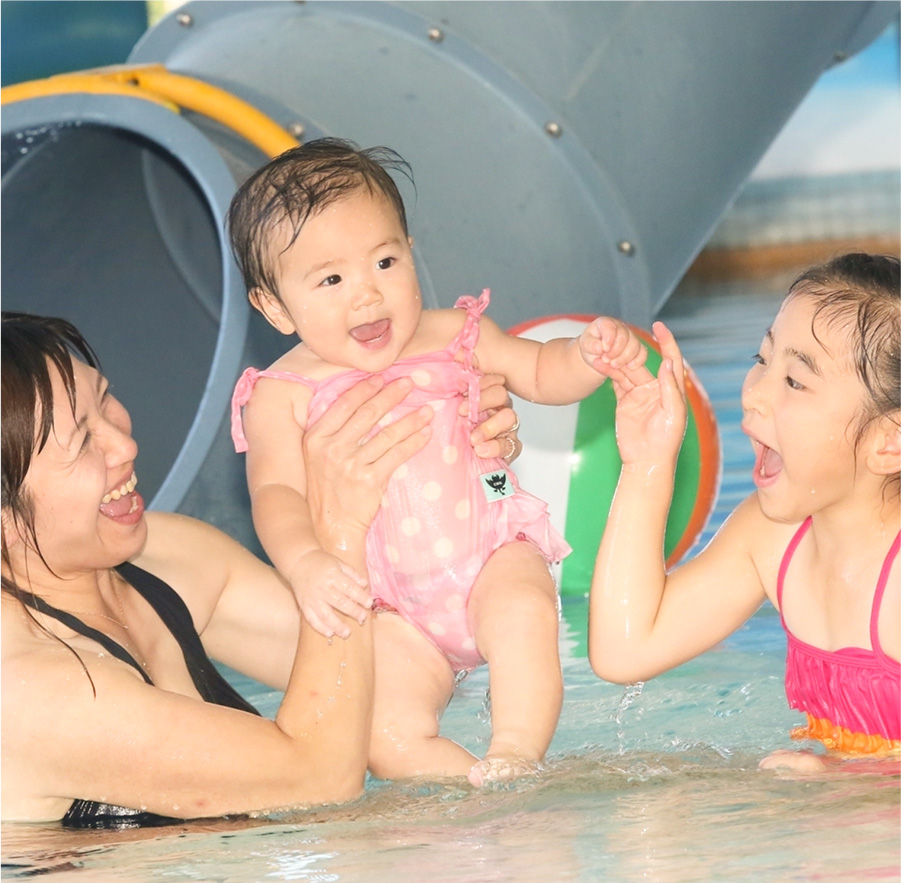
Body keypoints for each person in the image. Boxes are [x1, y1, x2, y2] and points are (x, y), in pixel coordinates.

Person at [227, 137, 647, 786]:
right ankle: (474, 787)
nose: (368, 295)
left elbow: (539, 370)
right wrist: (304, 561)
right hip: (393, 610)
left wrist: (584, 355)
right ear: (275, 306)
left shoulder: (453, 335)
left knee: (523, 616)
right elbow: (275, 493)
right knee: (382, 731)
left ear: (411, 250)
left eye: (385, 261)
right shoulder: (281, 395)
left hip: (490, 551)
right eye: (332, 279)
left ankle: (516, 753)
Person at [0, 311, 520, 825]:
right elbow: (318, 778)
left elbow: (398, 665)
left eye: (105, 399)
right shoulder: (32, 691)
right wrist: (338, 530)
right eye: (82, 442)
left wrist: (464, 460)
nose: (125, 445)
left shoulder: (169, 558)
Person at [588, 252, 900, 770]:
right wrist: (647, 465)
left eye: (795, 381)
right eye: (762, 359)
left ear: (889, 441)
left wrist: (849, 780)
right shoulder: (773, 537)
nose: (754, 394)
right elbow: (625, 650)